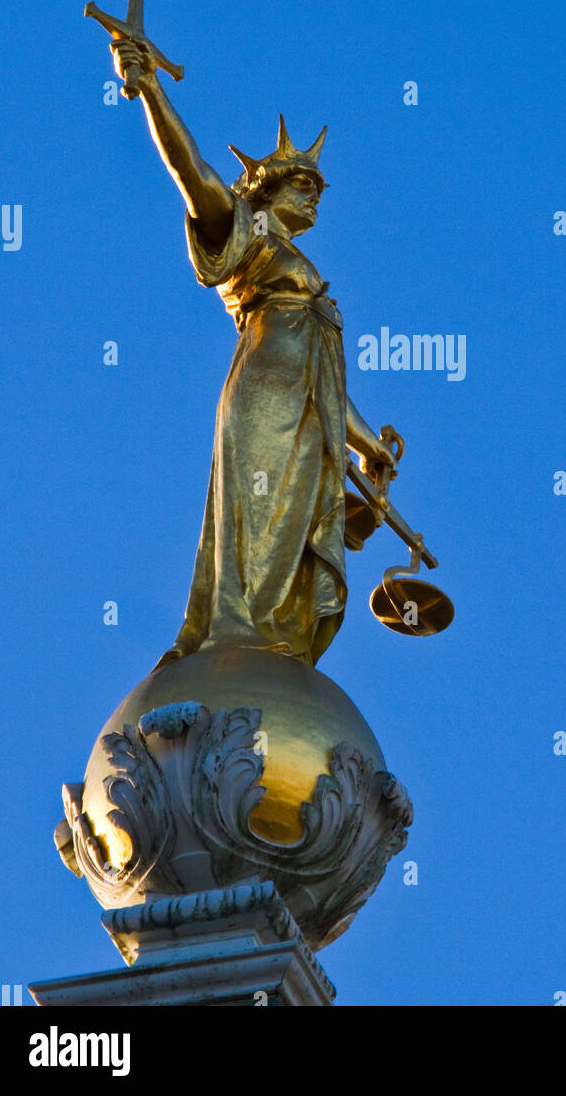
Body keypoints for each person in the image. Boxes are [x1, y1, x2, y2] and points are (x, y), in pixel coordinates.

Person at [110, 37, 396, 668]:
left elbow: (327, 385)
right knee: (256, 517)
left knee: (288, 529)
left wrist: (366, 442)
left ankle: (270, 637)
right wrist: (152, 90)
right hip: (266, 394)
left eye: (317, 186)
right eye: (301, 183)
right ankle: (236, 632)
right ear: (264, 193)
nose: (314, 194)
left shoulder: (308, 276)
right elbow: (197, 177)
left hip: (305, 406)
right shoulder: (251, 235)